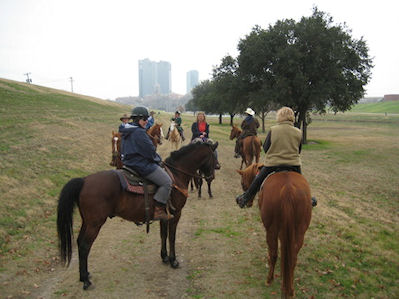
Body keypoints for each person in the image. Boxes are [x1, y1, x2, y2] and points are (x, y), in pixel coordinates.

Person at [236, 107, 317, 208]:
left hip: (273, 164)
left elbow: (265, 148)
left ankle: (246, 197)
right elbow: (299, 150)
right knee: (302, 182)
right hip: (294, 164)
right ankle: (308, 199)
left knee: (258, 179)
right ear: (292, 117)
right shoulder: (298, 132)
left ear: (279, 117)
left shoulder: (273, 130)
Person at [119, 106, 173, 221]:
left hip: (129, 164)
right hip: (141, 165)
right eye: (144, 119)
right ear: (138, 119)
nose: (146, 121)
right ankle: (158, 210)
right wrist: (158, 160)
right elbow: (150, 152)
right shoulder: (139, 132)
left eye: (147, 119)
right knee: (167, 182)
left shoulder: (125, 130)